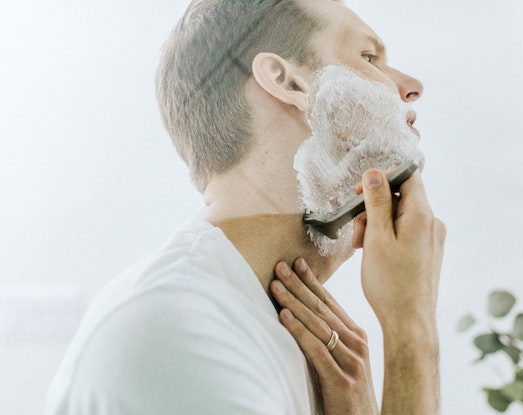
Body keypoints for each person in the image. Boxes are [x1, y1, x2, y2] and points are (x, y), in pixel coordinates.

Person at [46, 0, 446, 414]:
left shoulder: (277, 336)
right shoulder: (179, 333)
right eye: (368, 57)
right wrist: (411, 332)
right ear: (287, 82)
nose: (411, 85)